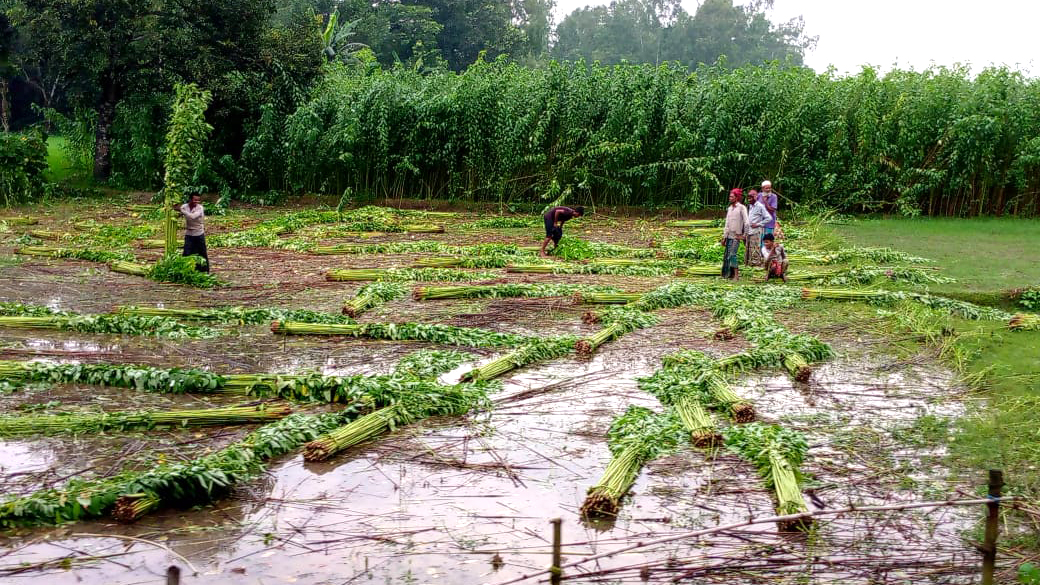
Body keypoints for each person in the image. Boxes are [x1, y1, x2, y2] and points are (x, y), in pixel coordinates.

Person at [171, 194, 209, 272]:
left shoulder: (200, 208)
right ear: (190, 199)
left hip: (199, 233)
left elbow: (192, 217)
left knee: (201, 253)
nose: (196, 202)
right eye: (195, 200)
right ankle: (187, 270)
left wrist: (182, 210)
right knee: (187, 252)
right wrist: (174, 209)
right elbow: (178, 212)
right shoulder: (185, 207)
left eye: (198, 200)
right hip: (189, 233)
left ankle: (204, 271)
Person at [720, 188, 748, 280]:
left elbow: (746, 222)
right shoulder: (730, 208)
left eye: (732, 197)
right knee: (727, 255)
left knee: (732, 254)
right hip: (729, 235)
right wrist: (724, 236)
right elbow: (727, 224)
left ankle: (736, 275)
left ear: (737, 197)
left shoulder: (742, 208)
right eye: (730, 196)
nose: (730, 198)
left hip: (737, 236)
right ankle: (730, 274)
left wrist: (744, 235)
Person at [746, 190, 770, 267]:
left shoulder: (760, 206)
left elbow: (768, 218)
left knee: (755, 248)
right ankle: (750, 263)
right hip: (749, 231)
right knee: (749, 248)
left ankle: (756, 264)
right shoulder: (750, 206)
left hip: (756, 231)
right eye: (748, 198)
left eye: (751, 198)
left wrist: (758, 224)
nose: (749, 200)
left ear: (756, 197)